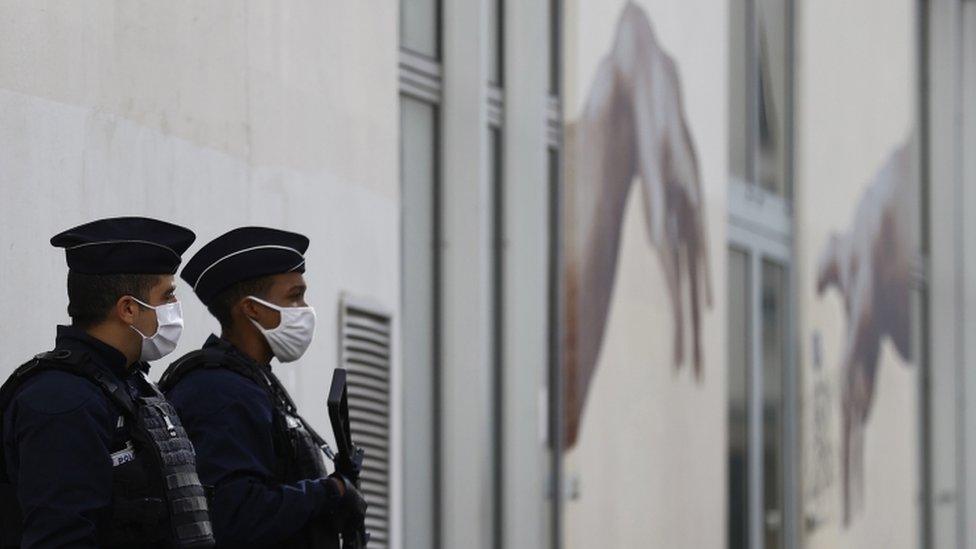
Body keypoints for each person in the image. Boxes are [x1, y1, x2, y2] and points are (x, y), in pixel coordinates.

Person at [0, 216, 215, 549]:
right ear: (128, 309)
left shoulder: (131, 385)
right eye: (168, 296)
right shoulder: (62, 400)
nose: (175, 308)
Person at [159, 227, 366, 548]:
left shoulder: (252, 381)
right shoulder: (219, 390)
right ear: (251, 308)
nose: (305, 309)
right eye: (294, 296)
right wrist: (331, 492)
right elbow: (235, 513)